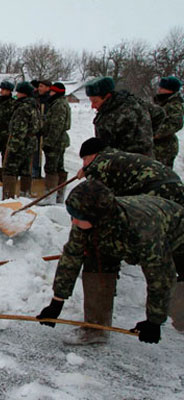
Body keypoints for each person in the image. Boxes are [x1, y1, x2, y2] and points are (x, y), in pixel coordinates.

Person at [36, 180, 184, 345]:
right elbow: (72, 256)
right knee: (95, 259)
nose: (74, 222)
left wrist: (154, 321)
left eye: (78, 217)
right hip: (126, 229)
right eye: (72, 214)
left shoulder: (142, 232)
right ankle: (96, 327)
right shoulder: (87, 221)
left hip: (178, 232)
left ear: (98, 216)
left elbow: (160, 276)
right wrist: (57, 302)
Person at [77, 137, 184, 205]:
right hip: (176, 185)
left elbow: (93, 198)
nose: (84, 164)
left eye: (85, 159)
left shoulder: (99, 165)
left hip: (157, 192)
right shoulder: (114, 156)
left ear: (95, 154)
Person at [84, 76, 154, 157]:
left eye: (95, 101)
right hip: (139, 161)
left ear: (107, 96)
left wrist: (151, 136)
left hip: (128, 162)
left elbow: (106, 149)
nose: (92, 106)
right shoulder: (127, 102)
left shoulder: (120, 112)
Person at [2, 81, 41, 199]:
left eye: (18, 92)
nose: (17, 94)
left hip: (20, 144)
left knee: (9, 170)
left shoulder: (22, 108)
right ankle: (25, 194)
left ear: (23, 93)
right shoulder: (35, 106)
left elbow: (19, 129)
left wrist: (13, 147)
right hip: (30, 143)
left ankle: (8, 197)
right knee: (25, 170)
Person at [40, 82, 71, 203]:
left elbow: (56, 126)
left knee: (51, 168)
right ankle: (58, 196)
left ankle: (50, 196)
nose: (50, 93)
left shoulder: (58, 105)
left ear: (57, 93)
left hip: (56, 142)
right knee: (59, 168)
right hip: (59, 140)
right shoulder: (60, 103)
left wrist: (49, 142)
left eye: (52, 91)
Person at [153, 76, 184, 168]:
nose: (159, 89)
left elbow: (175, 123)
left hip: (165, 148)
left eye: (162, 88)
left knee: (161, 174)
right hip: (157, 146)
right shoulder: (163, 102)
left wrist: (154, 133)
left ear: (170, 90)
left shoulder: (174, 105)